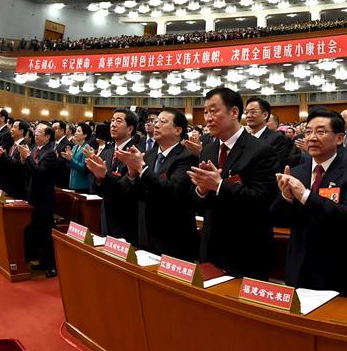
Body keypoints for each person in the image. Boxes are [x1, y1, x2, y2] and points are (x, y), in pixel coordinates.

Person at [269, 109, 347, 297]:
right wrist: (286, 197)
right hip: (298, 266)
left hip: (336, 269)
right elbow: (276, 218)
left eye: (321, 132)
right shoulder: (296, 172)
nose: (312, 137)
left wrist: (305, 195)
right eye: (308, 132)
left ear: (339, 138)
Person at [187, 87, 279, 279]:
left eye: (213, 111)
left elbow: (263, 199)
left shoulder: (261, 150)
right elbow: (198, 203)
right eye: (205, 112)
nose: (208, 118)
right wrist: (201, 190)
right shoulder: (208, 150)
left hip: (246, 249)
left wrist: (219, 186)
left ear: (234, 112)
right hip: (211, 246)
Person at [114, 109, 200, 260]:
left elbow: (173, 191)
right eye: (156, 121)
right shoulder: (149, 154)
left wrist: (142, 168)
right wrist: (132, 174)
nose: (156, 125)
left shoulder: (187, 157)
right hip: (145, 232)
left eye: (163, 122)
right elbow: (133, 192)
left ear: (178, 130)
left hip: (173, 235)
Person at [85, 109, 140, 242]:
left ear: (130, 129)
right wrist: (98, 178)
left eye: (118, 121)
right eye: (112, 121)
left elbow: (127, 188)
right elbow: (97, 187)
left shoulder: (136, 153)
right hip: (105, 212)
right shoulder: (107, 152)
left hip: (126, 217)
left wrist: (104, 175)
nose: (113, 124)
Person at [20, 123, 59, 278]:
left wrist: (28, 157)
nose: (35, 134)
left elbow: (40, 173)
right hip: (35, 197)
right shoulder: (38, 149)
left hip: (44, 200)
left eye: (40, 132)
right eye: (35, 131)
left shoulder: (50, 154)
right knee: (38, 232)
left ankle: (52, 266)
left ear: (48, 136)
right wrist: (25, 160)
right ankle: (42, 261)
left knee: (46, 234)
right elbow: (30, 171)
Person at [245, 96, 299, 171]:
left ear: (265, 115)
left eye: (253, 112)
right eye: (246, 112)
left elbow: (273, 167)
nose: (248, 116)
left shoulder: (278, 139)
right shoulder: (245, 139)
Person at [62, 123, 94, 192]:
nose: (75, 133)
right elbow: (71, 165)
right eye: (76, 131)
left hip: (82, 185)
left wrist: (71, 159)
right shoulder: (74, 147)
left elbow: (84, 168)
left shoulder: (87, 148)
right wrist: (67, 159)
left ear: (85, 135)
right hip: (72, 183)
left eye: (79, 131)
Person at [53, 121, 72, 189]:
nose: (52, 130)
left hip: (61, 181)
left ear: (62, 130)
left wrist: (55, 159)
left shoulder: (68, 144)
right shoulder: (52, 143)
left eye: (55, 128)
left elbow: (67, 164)